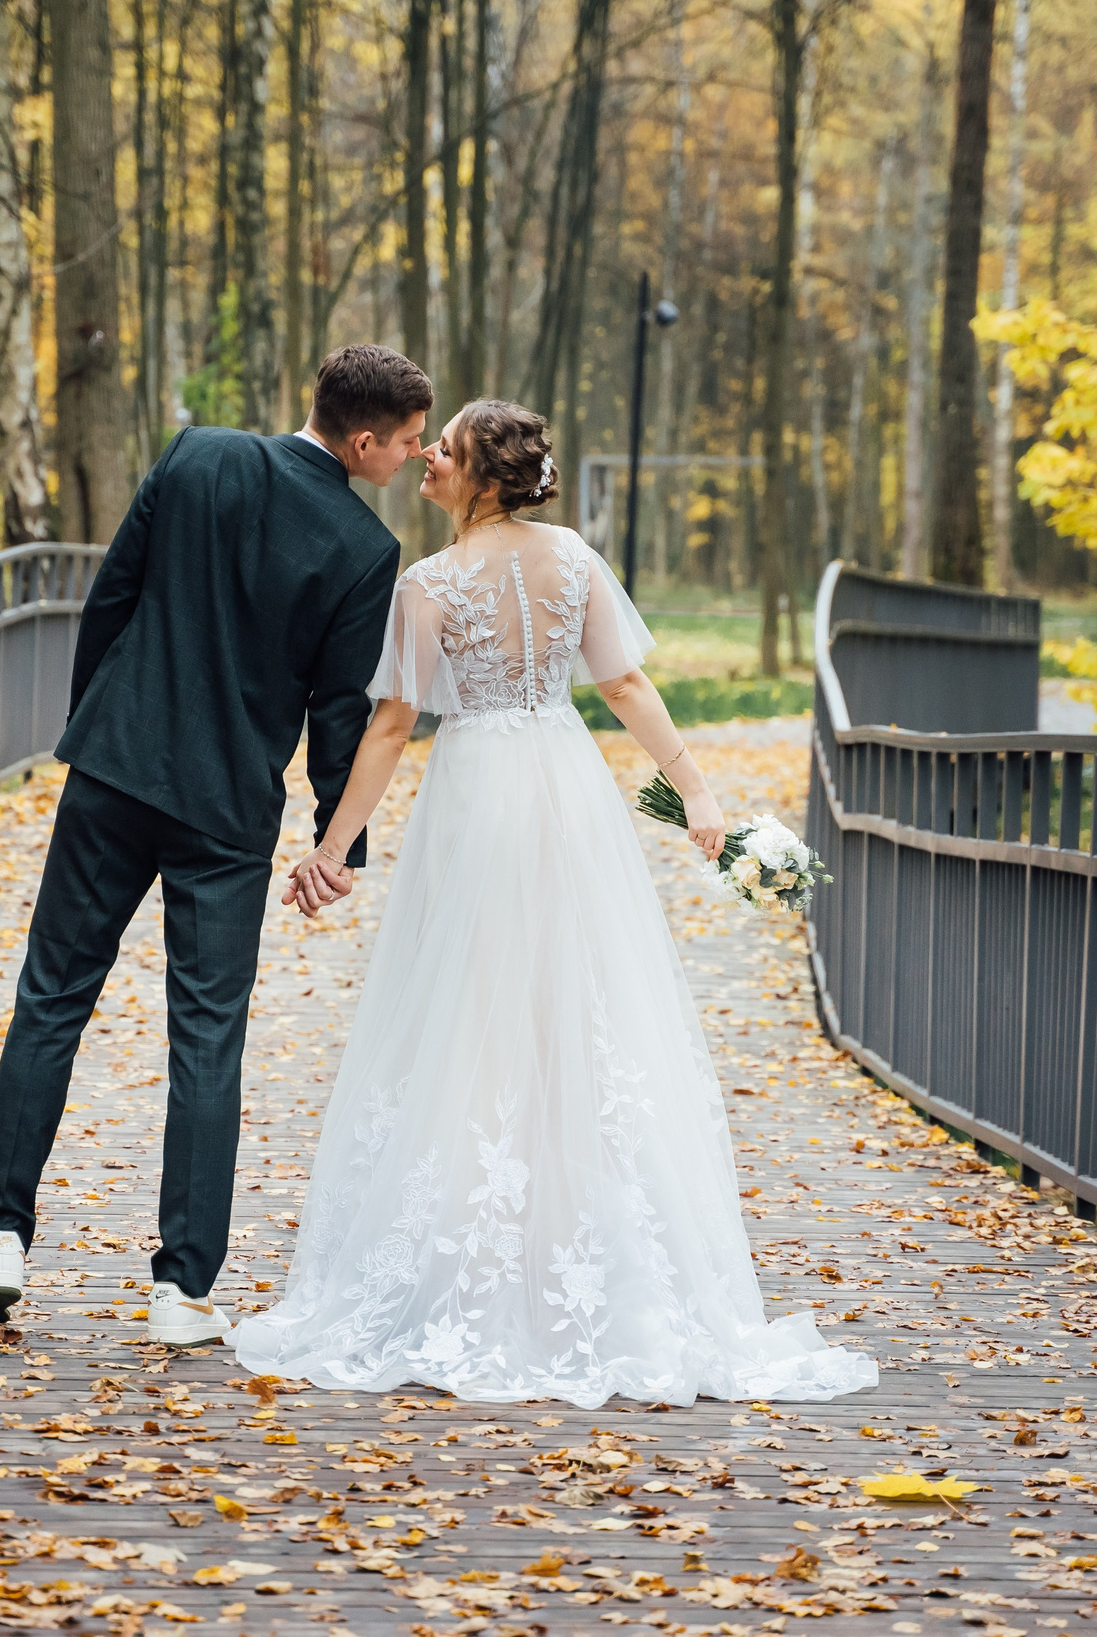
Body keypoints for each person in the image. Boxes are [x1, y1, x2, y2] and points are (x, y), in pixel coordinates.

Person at [228, 400, 881, 1407]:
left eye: (443, 451)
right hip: (566, 786)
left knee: (472, 1014)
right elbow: (621, 686)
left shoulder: (430, 583)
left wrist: (332, 841)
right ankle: (576, 1253)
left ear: (480, 476)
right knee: (577, 1004)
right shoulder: (573, 558)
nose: (428, 461)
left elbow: (395, 723)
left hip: (480, 795)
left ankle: (486, 1261)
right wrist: (693, 788)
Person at [0, 345, 432, 1347]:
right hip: (226, 809)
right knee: (207, 1038)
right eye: (407, 441)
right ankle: (181, 1290)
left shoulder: (195, 456)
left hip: (115, 769)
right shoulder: (359, 547)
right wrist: (332, 843)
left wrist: (97, 732)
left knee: (50, 1000)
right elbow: (337, 715)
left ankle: (0, 1238)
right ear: (360, 442)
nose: (414, 456)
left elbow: (110, 603)